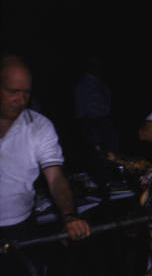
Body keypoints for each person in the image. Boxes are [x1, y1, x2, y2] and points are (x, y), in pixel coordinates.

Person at [0, 54, 91, 274]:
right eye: (13, 92)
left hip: (20, 227)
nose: (21, 101)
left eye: (27, 93)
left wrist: (69, 215)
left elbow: (55, 177)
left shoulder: (40, 127)